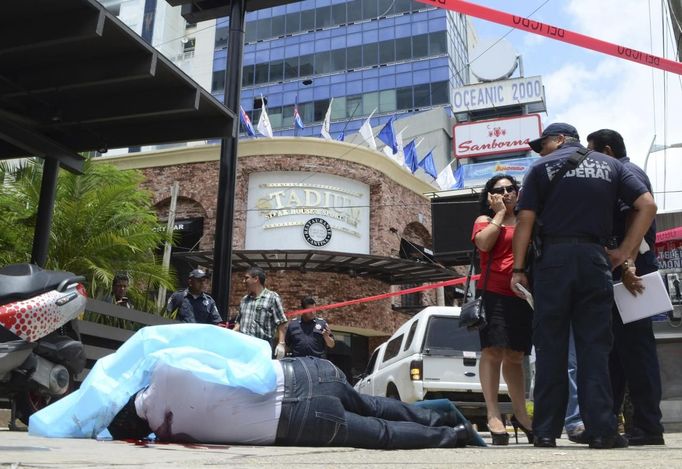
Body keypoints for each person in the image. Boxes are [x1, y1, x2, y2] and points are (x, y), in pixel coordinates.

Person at [30, 324, 481, 449]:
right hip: (303, 372)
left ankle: (450, 436)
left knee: (379, 436)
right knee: (374, 406)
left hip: (299, 421)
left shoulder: (182, 433)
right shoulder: (167, 366)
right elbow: (213, 343)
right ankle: (436, 412)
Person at [511, 123, 657, 449]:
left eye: (542, 143)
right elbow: (647, 205)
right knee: (595, 348)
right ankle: (603, 431)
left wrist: (519, 269)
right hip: (596, 260)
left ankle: (546, 431)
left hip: (553, 262)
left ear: (561, 139)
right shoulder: (612, 166)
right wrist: (624, 252)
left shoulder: (540, 169)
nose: (539, 150)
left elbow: (524, 221)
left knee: (551, 347)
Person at [587, 128, 665, 446]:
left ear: (607, 152)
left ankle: (648, 426)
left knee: (635, 350)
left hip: (631, 271)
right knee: (618, 352)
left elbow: (636, 222)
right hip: (625, 270)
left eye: (593, 154)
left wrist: (628, 262)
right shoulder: (625, 173)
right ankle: (614, 425)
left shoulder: (625, 173)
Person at [471, 174, 534, 445]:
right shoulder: (484, 220)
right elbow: (484, 243)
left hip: (522, 295)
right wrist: (498, 215)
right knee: (492, 351)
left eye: (511, 189)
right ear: (490, 195)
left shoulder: (527, 219)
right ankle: (494, 414)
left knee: (516, 355)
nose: (506, 193)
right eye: (499, 190)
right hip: (493, 293)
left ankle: (520, 413)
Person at [234, 266, 288, 359]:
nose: (244, 281)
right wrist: (230, 334)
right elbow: (239, 323)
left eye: (246, 278)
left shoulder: (272, 297)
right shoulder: (244, 300)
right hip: (244, 349)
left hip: (262, 350)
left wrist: (281, 343)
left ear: (256, 279)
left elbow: (281, 322)